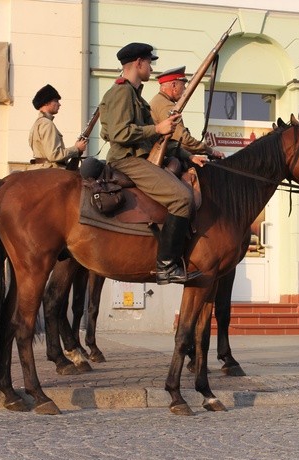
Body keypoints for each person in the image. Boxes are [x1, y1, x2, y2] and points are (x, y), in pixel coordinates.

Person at [98, 42, 207, 285]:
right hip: (127, 160)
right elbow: (118, 133)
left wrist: (188, 156)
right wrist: (157, 127)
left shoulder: (136, 96)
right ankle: (166, 266)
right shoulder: (121, 92)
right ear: (138, 63)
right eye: (149, 62)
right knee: (182, 198)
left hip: (141, 156)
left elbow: (157, 138)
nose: (151, 67)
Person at [149, 66, 225, 161]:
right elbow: (183, 140)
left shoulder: (160, 101)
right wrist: (210, 151)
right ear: (173, 86)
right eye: (183, 86)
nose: (184, 89)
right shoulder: (166, 105)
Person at [28, 84, 87, 169]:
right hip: (50, 171)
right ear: (47, 102)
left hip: (40, 169)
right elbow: (54, 155)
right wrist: (76, 148)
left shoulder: (38, 123)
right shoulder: (47, 124)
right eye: (56, 101)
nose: (59, 104)